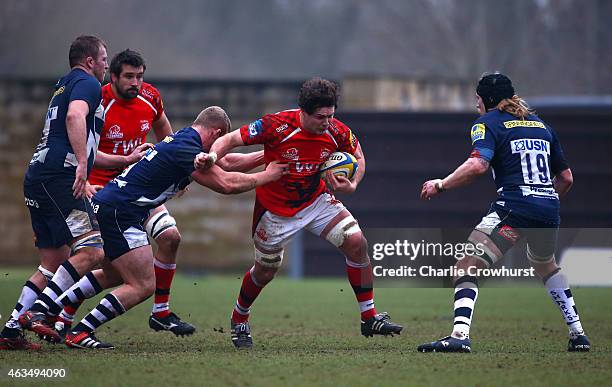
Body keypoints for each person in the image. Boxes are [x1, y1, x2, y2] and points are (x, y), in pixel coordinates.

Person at [61, 106, 287, 349]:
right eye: (221, 141)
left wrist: (268, 157)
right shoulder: (186, 148)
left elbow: (228, 162)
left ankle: (61, 311)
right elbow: (226, 183)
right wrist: (269, 175)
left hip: (116, 206)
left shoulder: (187, 140)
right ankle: (80, 330)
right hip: (121, 211)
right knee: (143, 284)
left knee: (118, 272)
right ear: (216, 133)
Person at [206, 77, 403, 348]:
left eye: (331, 115)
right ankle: (239, 318)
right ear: (304, 112)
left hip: (316, 200)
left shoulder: (336, 130)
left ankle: (368, 317)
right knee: (265, 272)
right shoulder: (275, 125)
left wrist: (353, 181)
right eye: (321, 117)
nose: (327, 122)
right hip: (274, 211)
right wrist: (212, 158)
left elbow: (358, 156)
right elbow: (228, 140)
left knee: (357, 243)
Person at [417, 72, 590, 353]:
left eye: (478, 99)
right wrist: (541, 201)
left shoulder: (486, 123)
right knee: (546, 265)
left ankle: (459, 336)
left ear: (487, 100)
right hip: (548, 211)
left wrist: (441, 184)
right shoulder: (541, 126)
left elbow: (478, 166)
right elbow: (566, 178)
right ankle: (578, 334)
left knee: (466, 265)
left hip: (513, 211)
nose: (476, 105)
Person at [0, 36, 150, 351]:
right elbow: (73, 118)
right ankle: (42, 311)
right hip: (59, 177)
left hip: (40, 176)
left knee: (53, 261)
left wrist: (125, 159)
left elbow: (78, 137)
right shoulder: (88, 84)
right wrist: (82, 165)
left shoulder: (65, 83)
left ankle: (11, 332)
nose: (107, 64)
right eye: (104, 58)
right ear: (90, 60)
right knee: (93, 250)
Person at [53, 49, 196, 337]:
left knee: (170, 237)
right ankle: (63, 311)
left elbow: (166, 134)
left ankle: (161, 312)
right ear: (114, 77)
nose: (136, 83)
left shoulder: (151, 97)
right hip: (102, 190)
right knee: (110, 265)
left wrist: (177, 171)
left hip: (139, 186)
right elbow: (79, 141)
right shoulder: (98, 100)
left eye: (140, 77)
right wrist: (86, 180)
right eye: (129, 77)